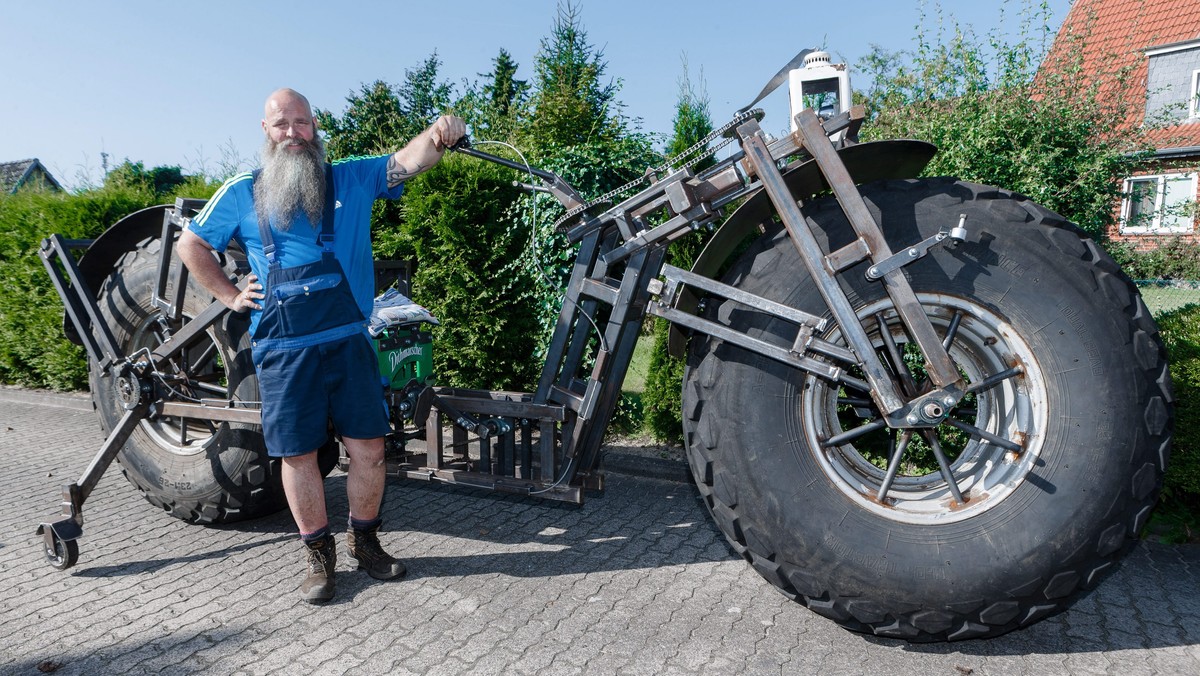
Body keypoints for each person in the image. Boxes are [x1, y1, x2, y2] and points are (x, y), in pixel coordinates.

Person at [178, 88, 465, 604]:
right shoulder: (242, 192)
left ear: (315, 127)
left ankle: (366, 542)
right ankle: (317, 554)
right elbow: (190, 244)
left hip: (349, 340)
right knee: (297, 455)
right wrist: (228, 294)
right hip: (284, 350)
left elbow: (410, 159)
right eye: (281, 124)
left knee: (369, 450)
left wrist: (443, 127)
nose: (293, 133)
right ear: (266, 132)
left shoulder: (350, 178)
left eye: (302, 122)